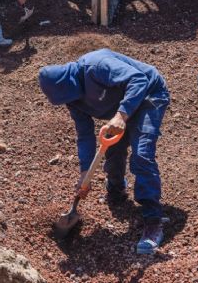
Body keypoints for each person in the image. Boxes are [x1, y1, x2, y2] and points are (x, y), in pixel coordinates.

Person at [38, 49, 170, 254]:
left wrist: (121, 115)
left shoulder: (96, 66)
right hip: (121, 106)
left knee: (142, 155)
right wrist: (84, 173)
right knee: (113, 149)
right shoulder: (72, 99)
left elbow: (138, 80)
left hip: (149, 95)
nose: (71, 101)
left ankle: (153, 222)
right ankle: (116, 191)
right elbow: (84, 135)